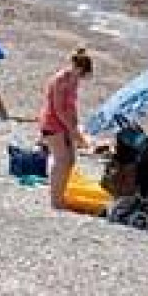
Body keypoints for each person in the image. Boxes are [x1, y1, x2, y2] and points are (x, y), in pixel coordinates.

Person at [39, 48, 94, 212]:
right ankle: (55, 200)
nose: (81, 77)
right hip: (52, 123)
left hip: (65, 124)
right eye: (82, 73)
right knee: (61, 160)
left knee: (70, 160)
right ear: (77, 68)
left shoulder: (74, 81)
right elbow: (58, 109)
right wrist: (73, 130)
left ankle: (60, 195)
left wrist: (75, 126)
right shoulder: (60, 80)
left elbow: (71, 106)